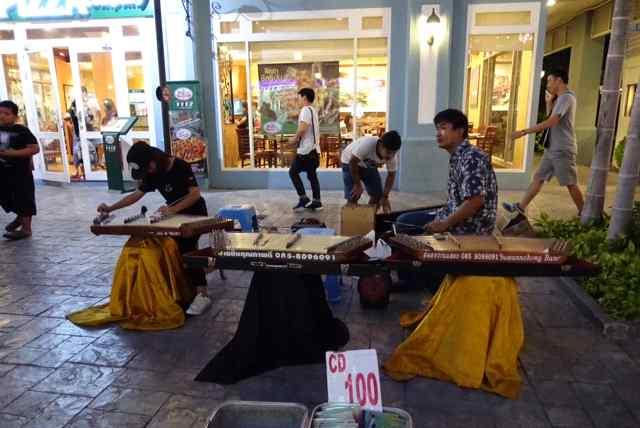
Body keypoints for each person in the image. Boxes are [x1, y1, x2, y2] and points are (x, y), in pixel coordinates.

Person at [96, 142, 212, 315]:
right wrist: (111, 208)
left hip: (195, 213)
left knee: (186, 246)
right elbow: (136, 195)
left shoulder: (180, 165)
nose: (147, 172)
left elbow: (195, 194)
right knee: (158, 243)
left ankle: (202, 294)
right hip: (172, 215)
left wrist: (172, 209)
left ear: (153, 160)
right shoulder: (152, 172)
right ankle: (172, 290)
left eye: (147, 168)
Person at [396, 109, 498, 235]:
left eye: (443, 128)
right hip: (452, 214)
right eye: (437, 129)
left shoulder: (472, 157)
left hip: (470, 227)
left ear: (460, 130)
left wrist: (445, 223)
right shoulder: (460, 156)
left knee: (403, 223)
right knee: (402, 219)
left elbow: (475, 201)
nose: (438, 134)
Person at [503, 69, 584, 216]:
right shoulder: (560, 99)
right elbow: (551, 118)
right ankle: (521, 207)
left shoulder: (567, 97)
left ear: (559, 80)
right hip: (552, 148)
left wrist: (523, 132)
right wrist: (548, 102)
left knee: (570, 183)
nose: (547, 84)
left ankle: (585, 213)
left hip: (562, 149)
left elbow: (552, 122)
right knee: (538, 178)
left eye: (549, 80)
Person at [0, 100, 39, 240]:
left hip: (20, 174)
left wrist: (11, 153)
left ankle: (25, 228)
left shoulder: (21, 130)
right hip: (3, 174)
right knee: (7, 198)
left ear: (15, 116)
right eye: (0, 113)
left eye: (6, 114)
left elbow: (34, 148)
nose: (2, 116)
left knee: (23, 199)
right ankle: (20, 217)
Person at [341, 130, 401, 213]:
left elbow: (391, 176)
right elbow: (353, 162)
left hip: (367, 164)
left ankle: (368, 220)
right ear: (380, 144)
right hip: (349, 161)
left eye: (394, 153)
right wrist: (357, 184)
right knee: (354, 195)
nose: (390, 156)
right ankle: (351, 221)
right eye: (388, 152)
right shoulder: (368, 144)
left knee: (377, 196)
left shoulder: (392, 157)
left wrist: (385, 197)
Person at [289, 88, 322, 211]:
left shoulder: (305, 110)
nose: (297, 100)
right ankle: (317, 201)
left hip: (306, 151)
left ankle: (303, 198)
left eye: (298, 97)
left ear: (304, 97)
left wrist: (294, 139)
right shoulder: (312, 110)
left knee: (293, 172)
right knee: (312, 175)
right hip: (314, 150)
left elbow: (303, 128)